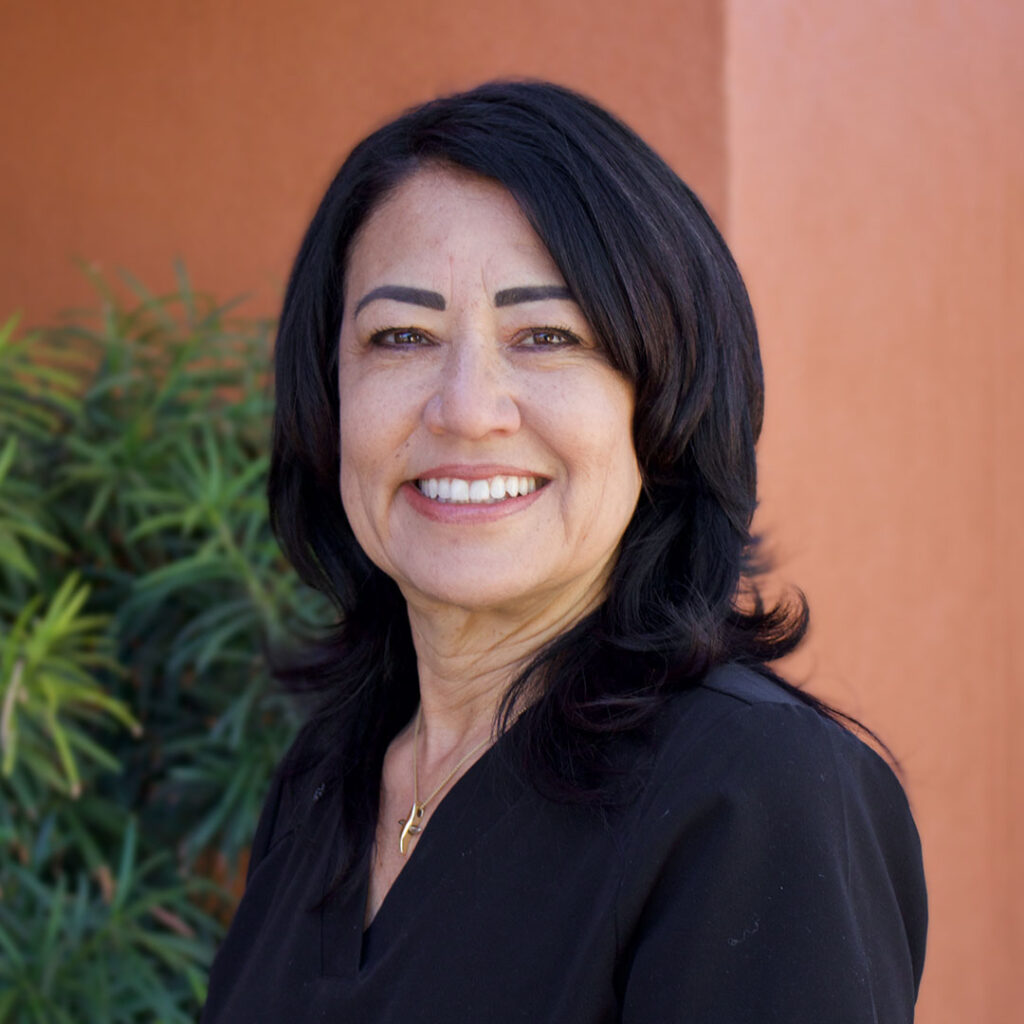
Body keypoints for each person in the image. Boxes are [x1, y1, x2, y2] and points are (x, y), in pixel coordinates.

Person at [201, 80, 927, 1022]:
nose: (465, 408)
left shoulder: (757, 796)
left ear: (663, 403)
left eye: (547, 336)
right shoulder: (323, 784)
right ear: (327, 396)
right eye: (401, 336)